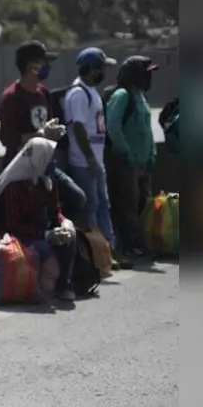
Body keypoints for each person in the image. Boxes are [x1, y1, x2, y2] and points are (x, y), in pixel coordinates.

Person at [0, 41, 83, 231]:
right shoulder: (11, 98)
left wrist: (53, 131)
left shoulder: (43, 92)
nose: (49, 67)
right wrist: (42, 134)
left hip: (46, 164)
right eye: (45, 62)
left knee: (77, 198)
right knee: (36, 221)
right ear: (30, 66)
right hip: (22, 170)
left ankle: (58, 236)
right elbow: (7, 138)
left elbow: (47, 123)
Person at [0, 138, 78, 301]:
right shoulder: (13, 186)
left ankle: (64, 286)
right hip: (16, 236)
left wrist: (64, 224)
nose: (51, 162)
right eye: (47, 158)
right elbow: (14, 225)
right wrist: (46, 235)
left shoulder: (45, 181)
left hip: (38, 232)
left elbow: (55, 212)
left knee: (70, 238)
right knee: (45, 247)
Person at [64, 47, 118, 254]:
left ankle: (107, 249)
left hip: (95, 161)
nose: (103, 72)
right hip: (83, 163)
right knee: (90, 208)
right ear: (90, 69)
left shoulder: (91, 91)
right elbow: (78, 128)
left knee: (102, 205)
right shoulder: (78, 94)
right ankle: (94, 252)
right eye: (100, 68)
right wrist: (89, 158)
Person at [105, 55, 159, 260]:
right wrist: (124, 150)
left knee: (143, 203)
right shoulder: (122, 95)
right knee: (128, 204)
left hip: (143, 161)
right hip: (126, 162)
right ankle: (132, 245)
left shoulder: (141, 96)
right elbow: (113, 126)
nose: (149, 77)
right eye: (147, 72)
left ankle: (140, 241)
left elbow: (146, 128)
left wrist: (152, 152)